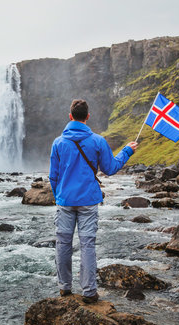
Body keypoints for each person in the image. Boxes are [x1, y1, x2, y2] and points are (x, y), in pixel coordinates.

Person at [49, 99, 138, 303]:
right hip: (89, 200)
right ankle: (89, 292)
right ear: (87, 117)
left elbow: (53, 176)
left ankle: (64, 288)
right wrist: (127, 151)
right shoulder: (98, 141)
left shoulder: (58, 142)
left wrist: (59, 196)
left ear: (70, 116)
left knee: (63, 243)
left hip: (65, 201)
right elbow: (110, 168)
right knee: (87, 244)